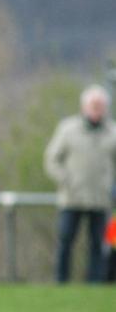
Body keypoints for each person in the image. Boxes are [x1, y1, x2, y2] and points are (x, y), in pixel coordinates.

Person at [44, 85, 116, 283]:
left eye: (100, 105)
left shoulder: (112, 132)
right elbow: (51, 159)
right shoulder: (68, 129)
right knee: (66, 241)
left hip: (100, 200)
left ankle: (95, 284)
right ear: (84, 106)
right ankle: (61, 282)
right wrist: (66, 180)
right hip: (71, 198)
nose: (97, 109)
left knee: (98, 244)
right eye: (93, 105)